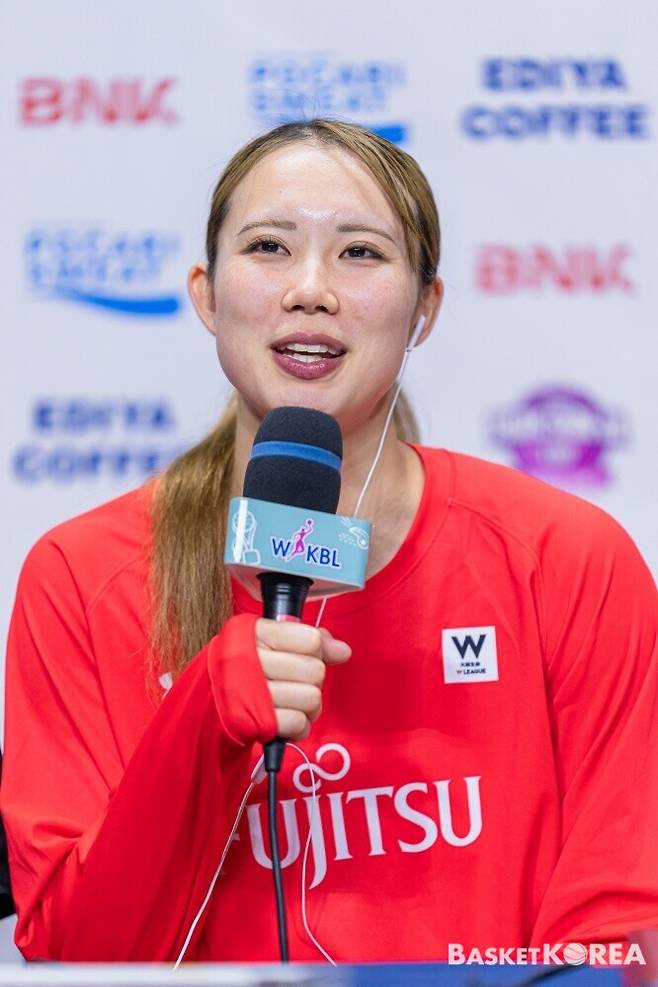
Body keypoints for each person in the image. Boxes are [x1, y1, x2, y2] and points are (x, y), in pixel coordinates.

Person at [2, 118, 658, 965]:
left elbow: (618, 934)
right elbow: (81, 955)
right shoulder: (81, 577)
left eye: (359, 253)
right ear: (206, 295)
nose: (310, 289)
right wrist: (200, 722)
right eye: (269, 246)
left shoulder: (567, 560)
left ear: (425, 308)